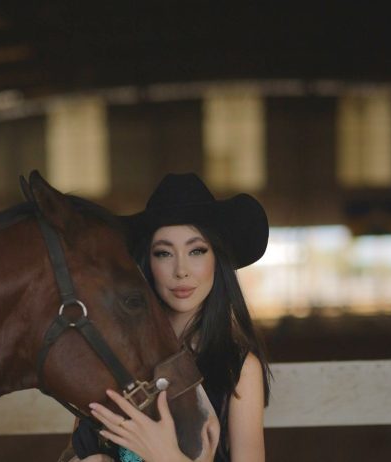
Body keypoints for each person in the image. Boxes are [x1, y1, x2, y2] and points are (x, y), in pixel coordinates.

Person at [69, 173, 271, 462]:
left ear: (217, 259)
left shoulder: (238, 368)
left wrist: (164, 456)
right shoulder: (114, 355)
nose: (181, 270)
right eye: (164, 253)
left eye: (197, 251)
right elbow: (79, 449)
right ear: (147, 263)